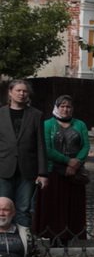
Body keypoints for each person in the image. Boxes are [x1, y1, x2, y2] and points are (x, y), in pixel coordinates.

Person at [35, 94, 90, 244]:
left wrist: (76, 162)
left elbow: (86, 146)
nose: (66, 109)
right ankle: (54, 238)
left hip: (75, 173)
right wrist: (67, 161)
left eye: (69, 107)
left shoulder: (80, 125)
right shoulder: (47, 124)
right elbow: (47, 148)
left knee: (73, 206)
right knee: (54, 206)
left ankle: (72, 238)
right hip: (53, 172)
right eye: (63, 106)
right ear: (57, 107)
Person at [0, 79, 47, 222]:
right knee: (3, 208)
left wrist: (42, 173)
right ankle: (3, 242)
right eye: (18, 90)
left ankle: (23, 243)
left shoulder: (36, 115)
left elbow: (41, 145)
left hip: (28, 171)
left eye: (25, 91)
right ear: (10, 92)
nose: (21, 93)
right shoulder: (1, 113)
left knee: (24, 208)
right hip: (3, 169)